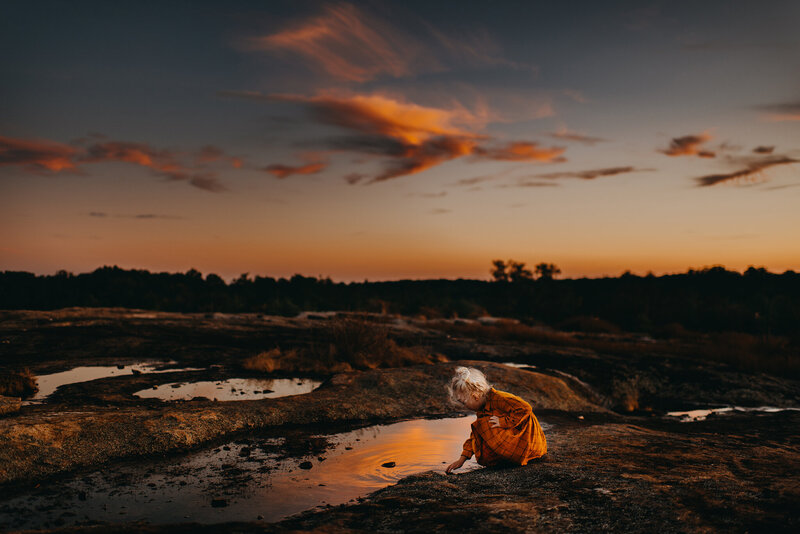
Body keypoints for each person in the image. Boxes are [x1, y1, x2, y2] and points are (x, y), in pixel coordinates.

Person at [445, 366, 547, 474]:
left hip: (528, 443)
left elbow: (525, 408)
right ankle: (504, 460)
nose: (464, 406)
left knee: (486, 425)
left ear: (475, 396)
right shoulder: (483, 408)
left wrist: (503, 421)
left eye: (464, 402)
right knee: (482, 426)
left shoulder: (499, 397)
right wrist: (462, 459)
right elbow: (476, 434)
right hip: (514, 442)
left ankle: (516, 457)